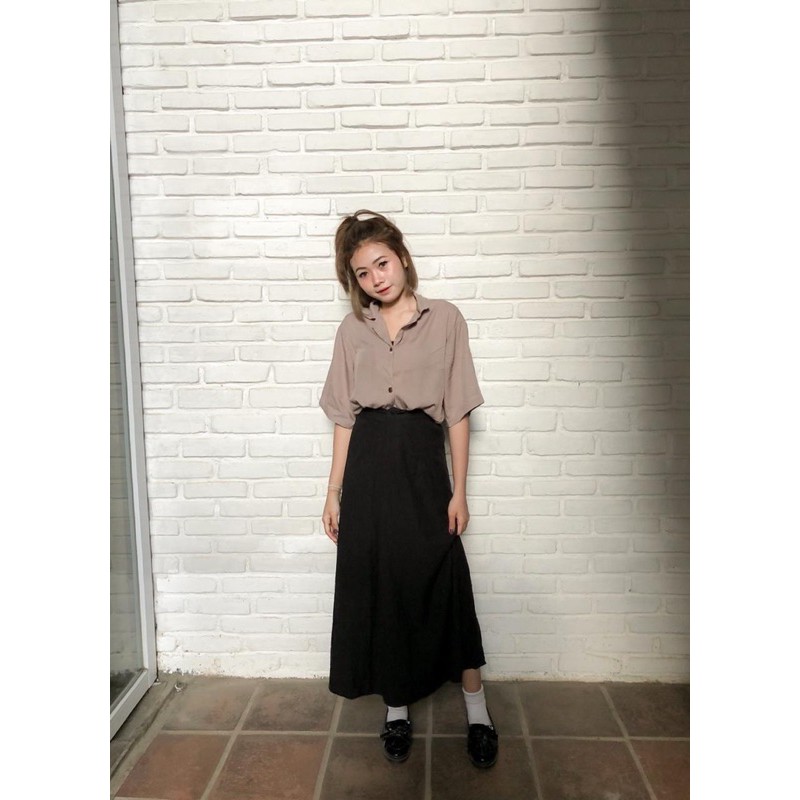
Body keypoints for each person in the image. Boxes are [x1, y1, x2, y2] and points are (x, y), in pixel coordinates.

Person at [319, 210, 499, 768]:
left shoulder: (445, 319)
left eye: (382, 263)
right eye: (363, 272)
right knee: (382, 585)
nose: (376, 278)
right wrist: (333, 492)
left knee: (446, 582)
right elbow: (344, 417)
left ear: (401, 258)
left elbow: (458, 412)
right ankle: (396, 710)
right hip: (369, 470)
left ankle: (478, 711)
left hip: (423, 468)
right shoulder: (353, 331)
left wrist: (459, 491)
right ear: (355, 282)